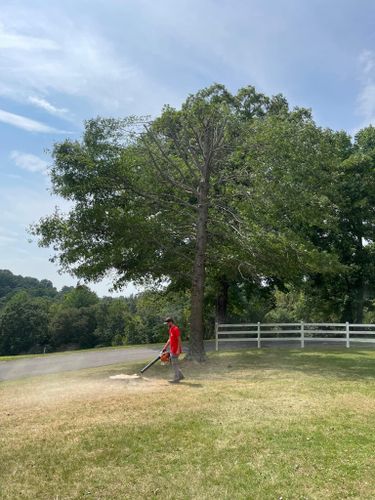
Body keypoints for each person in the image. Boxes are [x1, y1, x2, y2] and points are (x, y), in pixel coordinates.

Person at [162, 317, 185, 383]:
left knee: (174, 364)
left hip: (176, 350)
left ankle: (176, 378)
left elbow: (179, 340)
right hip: (172, 349)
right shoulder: (171, 329)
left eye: (167, 323)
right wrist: (165, 347)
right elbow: (170, 339)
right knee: (174, 364)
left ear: (171, 322)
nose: (167, 324)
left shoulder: (175, 329)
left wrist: (178, 350)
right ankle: (180, 376)